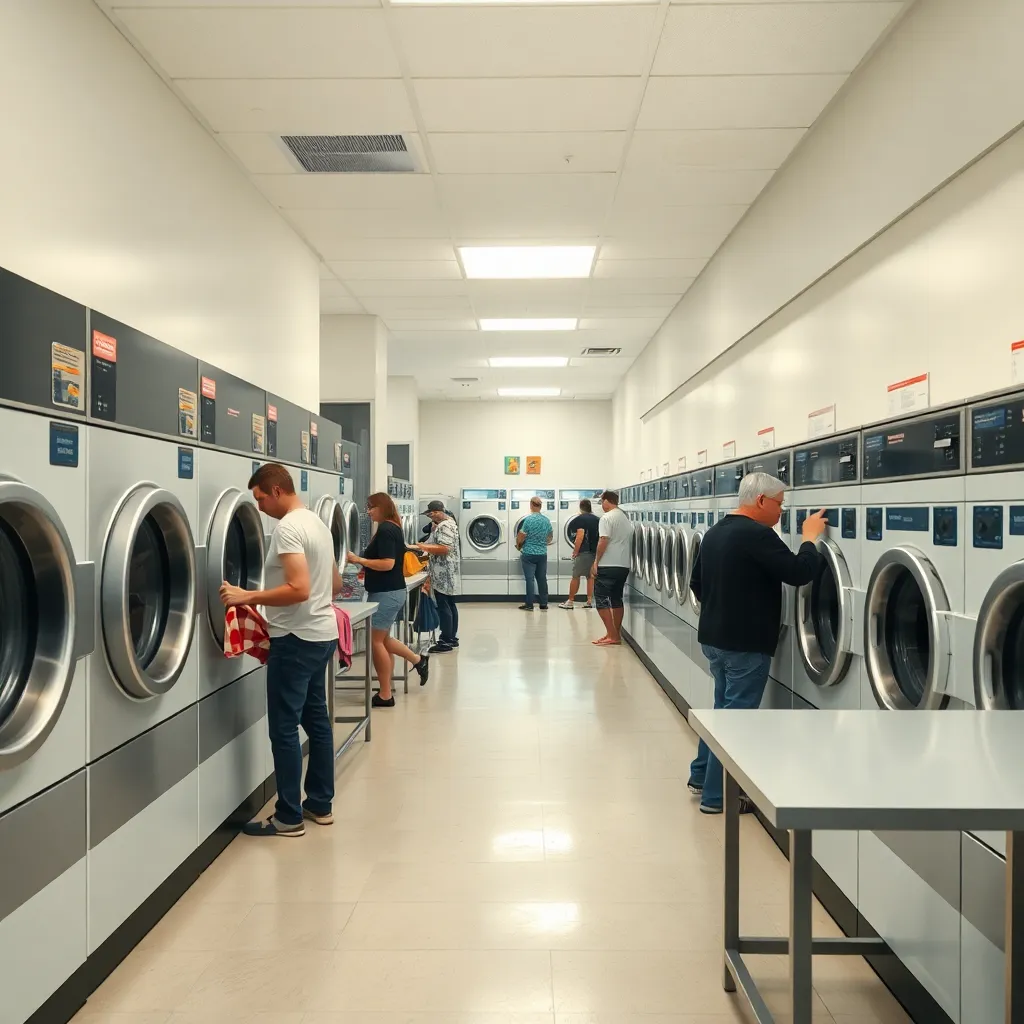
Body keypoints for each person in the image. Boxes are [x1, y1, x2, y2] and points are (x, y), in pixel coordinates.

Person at [687, 472, 826, 814]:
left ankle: (702, 775)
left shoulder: (717, 531)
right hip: (745, 644)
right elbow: (798, 572)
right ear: (761, 500)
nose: (781, 512)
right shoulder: (757, 535)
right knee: (736, 720)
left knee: (722, 712)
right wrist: (810, 539)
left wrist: (726, 608)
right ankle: (718, 797)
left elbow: (695, 583)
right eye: (780, 504)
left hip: (715, 638)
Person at [220, 462, 343, 838]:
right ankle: (320, 804)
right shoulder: (317, 524)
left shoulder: (288, 528)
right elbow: (335, 584)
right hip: (322, 634)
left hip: (296, 639)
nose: (258, 508)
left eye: (259, 499)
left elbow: (299, 589)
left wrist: (249, 596)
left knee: (284, 728)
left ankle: (288, 817)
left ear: (276, 490)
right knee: (316, 720)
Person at [346, 492, 429, 706]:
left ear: (382, 507)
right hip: (388, 591)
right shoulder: (392, 526)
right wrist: (364, 566)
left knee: (375, 642)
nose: (368, 511)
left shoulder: (385, 529)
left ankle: (385, 695)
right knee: (383, 640)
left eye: (371, 507)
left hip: (387, 593)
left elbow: (387, 563)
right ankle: (416, 662)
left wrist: (359, 559)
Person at [413, 500, 461, 653]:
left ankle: (445, 641)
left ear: (436, 512)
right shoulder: (449, 523)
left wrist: (422, 547)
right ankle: (451, 638)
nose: (430, 517)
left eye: (431, 514)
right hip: (448, 570)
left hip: (443, 570)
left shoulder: (445, 526)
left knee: (444, 605)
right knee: (450, 604)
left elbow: (444, 548)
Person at [589, 490, 632, 645]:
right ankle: (614, 634)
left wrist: (595, 562)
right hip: (623, 565)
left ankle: (612, 635)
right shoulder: (624, 517)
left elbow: (603, 540)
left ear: (607, 501)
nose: (602, 505)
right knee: (616, 598)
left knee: (600, 599)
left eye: (602, 502)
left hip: (608, 564)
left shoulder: (607, 518)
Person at [559, 497, 600, 609]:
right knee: (590, 576)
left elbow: (580, 536)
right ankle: (589, 601)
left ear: (581, 507)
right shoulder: (598, 519)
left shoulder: (580, 519)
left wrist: (575, 551)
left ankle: (570, 601)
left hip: (584, 552)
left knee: (576, 576)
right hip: (595, 552)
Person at [516, 497, 553, 611]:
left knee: (530, 579)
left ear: (531, 505)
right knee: (542, 579)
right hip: (542, 554)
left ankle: (529, 604)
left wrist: (518, 546)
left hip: (528, 554)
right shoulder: (546, 520)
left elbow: (521, 536)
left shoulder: (528, 520)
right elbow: (550, 537)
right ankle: (543, 604)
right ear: (540, 506)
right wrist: (541, 543)